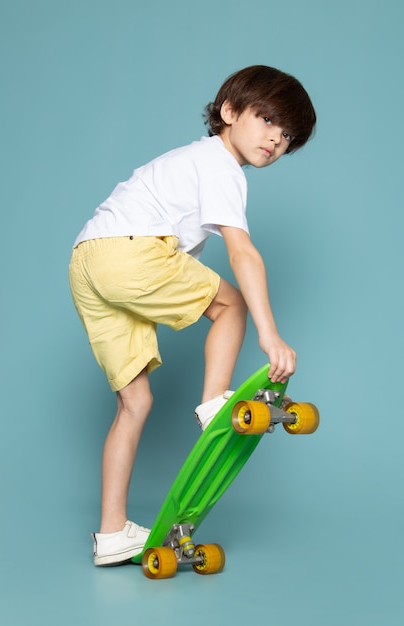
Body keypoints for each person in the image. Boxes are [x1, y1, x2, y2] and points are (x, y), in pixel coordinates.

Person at [69, 65, 316, 566]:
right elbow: (243, 253)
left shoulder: (189, 165)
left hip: (87, 260)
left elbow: (172, 255)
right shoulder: (219, 164)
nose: (275, 138)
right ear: (228, 112)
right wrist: (270, 336)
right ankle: (212, 404)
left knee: (133, 404)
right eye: (267, 119)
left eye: (287, 135)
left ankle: (111, 533)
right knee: (232, 304)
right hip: (129, 254)